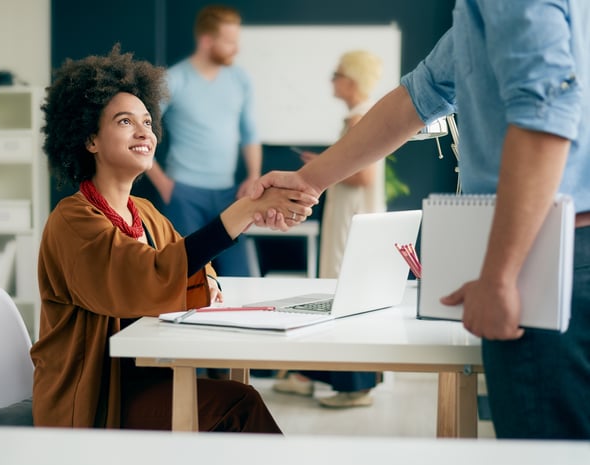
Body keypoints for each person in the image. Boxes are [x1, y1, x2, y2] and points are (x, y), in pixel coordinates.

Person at [253, 2, 590, 439]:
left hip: (553, 258)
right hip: (557, 252)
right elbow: (418, 96)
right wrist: (308, 180)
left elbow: (544, 112)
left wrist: (501, 275)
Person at [31, 46, 315, 432]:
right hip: (97, 397)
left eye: (147, 121)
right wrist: (245, 210)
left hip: (149, 380)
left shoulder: (143, 211)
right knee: (238, 404)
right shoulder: (72, 219)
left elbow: (194, 263)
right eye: (124, 121)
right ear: (90, 139)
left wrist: (209, 282)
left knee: (233, 396)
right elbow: (148, 273)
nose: (143, 131)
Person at [273, 50, 385, 408]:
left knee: (343, 291)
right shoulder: (365, 116)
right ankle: (329, 376)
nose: (332, 80)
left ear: (351, 80)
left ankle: (352, 385)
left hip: (351, 219)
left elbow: (363, 174)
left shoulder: (359, 118)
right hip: (353, 216)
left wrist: (323, 166)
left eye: (336, 74)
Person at [146, 4, 261, 278]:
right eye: (230, 42)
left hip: (230, 195)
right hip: (184, 194)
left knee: (239, 276)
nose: (236, 48)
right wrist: (163, 185)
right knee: (187, 277)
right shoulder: (173, 79)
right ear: (207, 41)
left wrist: (254, 177)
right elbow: (141, 130)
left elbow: (250, 133)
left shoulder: (240, 79)